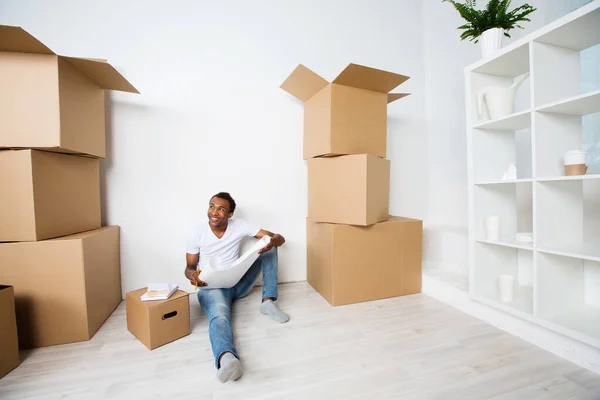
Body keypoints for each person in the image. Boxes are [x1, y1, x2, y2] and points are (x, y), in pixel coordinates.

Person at [185, 192, 289, 383]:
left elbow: (279, 239)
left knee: (269, 246)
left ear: (230, 214)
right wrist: (193, 276)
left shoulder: (239, 225)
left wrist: (272, 241)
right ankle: (227, 359)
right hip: (212, 288)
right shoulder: (197, 233)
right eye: (211, 206)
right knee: (219, 316)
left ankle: (268, 301)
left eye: (221, 209)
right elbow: (189, 268)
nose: (214, 212)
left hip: (236, 283)